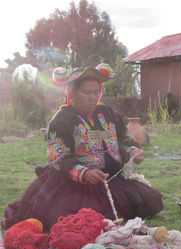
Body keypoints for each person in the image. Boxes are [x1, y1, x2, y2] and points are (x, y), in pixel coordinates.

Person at [2, 64, 163, 230]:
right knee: (82, 218)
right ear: (71, 92)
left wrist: (132, 151)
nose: (92, 98)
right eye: (86, 92)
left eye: (96, 92)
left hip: (111, 180)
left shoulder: (109, 113)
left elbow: (124, 139)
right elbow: (58, 159)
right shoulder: (61, 120)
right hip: (72, 183)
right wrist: (84, 173)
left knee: (146, 203)